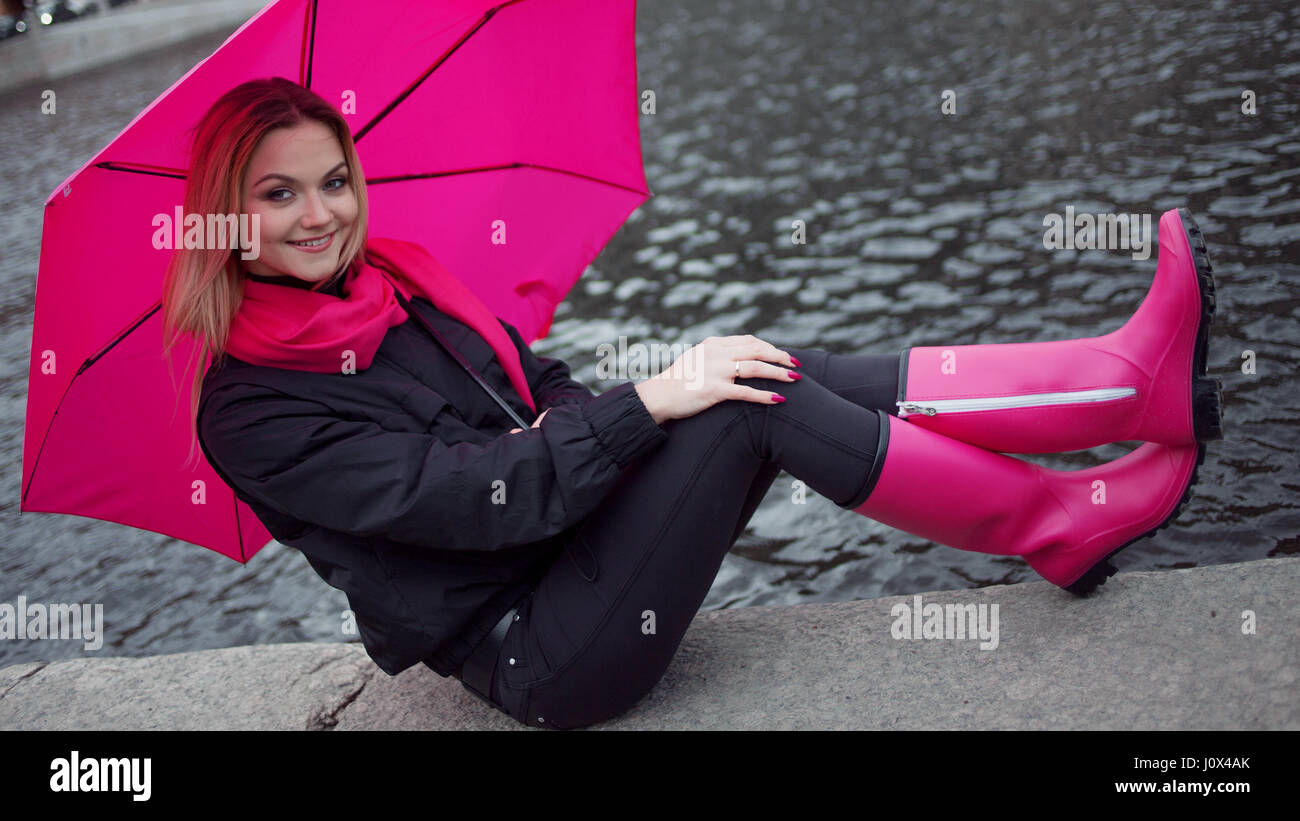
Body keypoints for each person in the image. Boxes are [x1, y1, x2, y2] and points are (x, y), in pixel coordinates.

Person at [162, 78, 1223, 730]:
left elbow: (546, 388)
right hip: (542, 642)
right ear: (222, 218)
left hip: (571, 535)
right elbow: (475, 501)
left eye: (333, 180)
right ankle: (1049, 516)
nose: (321, 214)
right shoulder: (252, 409)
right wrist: (646, 404)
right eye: (278, 192)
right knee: (735, 401)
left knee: (757, 364)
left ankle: (1118, 380)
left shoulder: (403, 288)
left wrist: (593, 413)